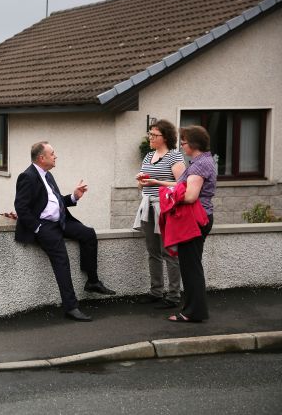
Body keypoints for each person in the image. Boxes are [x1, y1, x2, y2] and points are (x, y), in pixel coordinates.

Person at [14, 142, 116, 322]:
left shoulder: (48, 175)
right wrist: (37, 228)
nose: (55, 156)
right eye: (52, 154)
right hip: (44, 226)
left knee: (88, 234)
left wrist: (74, 197)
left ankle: (92, 281)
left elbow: (55, 201)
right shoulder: (27, 176)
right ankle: (71, 307)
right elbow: (21, 207)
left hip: (60, 221)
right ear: (41, 158)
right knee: (62, 259)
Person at [133, 120, 186, 309]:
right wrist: (141, 181)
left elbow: (182, 185)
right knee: (152, 252)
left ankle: (173, 296)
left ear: (165, 137)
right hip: (147, 207)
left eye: (154, 135)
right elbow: (142, 184)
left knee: (169, 252)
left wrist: (157, 182)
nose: (151, 138)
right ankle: (156, 291)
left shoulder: (174, 156)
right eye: (150, 134)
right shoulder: (148, 156)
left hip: (165, 209)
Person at [166, 125, 216, 323]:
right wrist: (157, 183)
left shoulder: (199, 165)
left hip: (195, 220)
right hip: (200, 218)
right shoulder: (202, 161)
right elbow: (183, 185)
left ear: (193, 144)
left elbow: (190, 195)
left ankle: (192, 312)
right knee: (191, 266)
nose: (181, 145)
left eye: (184, 142)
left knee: (190, 267)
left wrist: (169, 196)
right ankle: (194, 310)